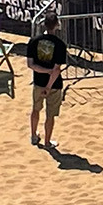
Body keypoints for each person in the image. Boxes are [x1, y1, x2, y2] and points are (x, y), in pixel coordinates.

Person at [26, 14, 67, 149]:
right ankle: (47, 142)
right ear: (57, 25)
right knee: (50, 115)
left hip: (38, 82)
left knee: (35, 109)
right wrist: (48, 86)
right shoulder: (60, 45)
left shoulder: (33, 41)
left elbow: (31, 65)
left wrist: (43, 71)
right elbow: (56, 70)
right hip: (54, 85)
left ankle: (33, 135)